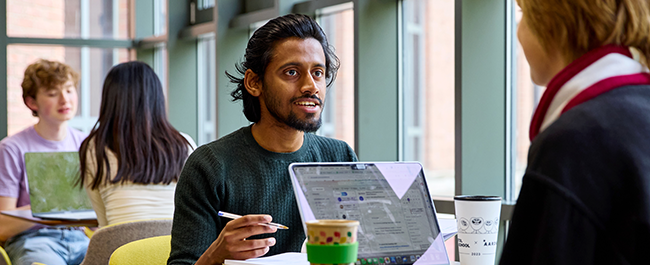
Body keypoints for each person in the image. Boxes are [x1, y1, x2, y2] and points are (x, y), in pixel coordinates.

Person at [168, 14, 358, 265]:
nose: (311, 86)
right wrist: (215, 255)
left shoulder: (340, 158)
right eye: (292, 72)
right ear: (254, 82)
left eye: (318, 73)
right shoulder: (210, 166)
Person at [500, 0, 650, 264]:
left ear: (553, 23)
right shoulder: (638, 112)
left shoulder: (571, 144)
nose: (518, 29)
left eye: (523, 13)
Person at [78, 61, 196, 227]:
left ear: (109, 102)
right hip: (173, 247)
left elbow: (104, 224)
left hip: (121, 247)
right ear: (157, 98)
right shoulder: (184, 144)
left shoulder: (94, 148)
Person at [0, 59, 89, 265]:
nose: (65, 100)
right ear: (32, 102)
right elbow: (3, 227)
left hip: (81, 240)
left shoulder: (87, 145)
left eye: (68, 90)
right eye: (52, 93)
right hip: (33, 241)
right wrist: (53, 206)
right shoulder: (12, 148)